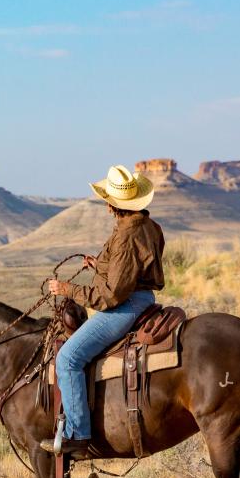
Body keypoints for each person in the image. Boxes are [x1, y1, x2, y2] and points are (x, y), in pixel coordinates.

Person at [45, 165, 166, 455]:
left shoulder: (126, 236)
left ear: (112, 204)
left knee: (68, 359)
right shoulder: (149, 226)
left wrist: (67, 290)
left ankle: (78, 433)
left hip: (126, 306)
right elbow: (131, 268)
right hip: (143, 299)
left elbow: (111, 295)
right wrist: (99, 264)